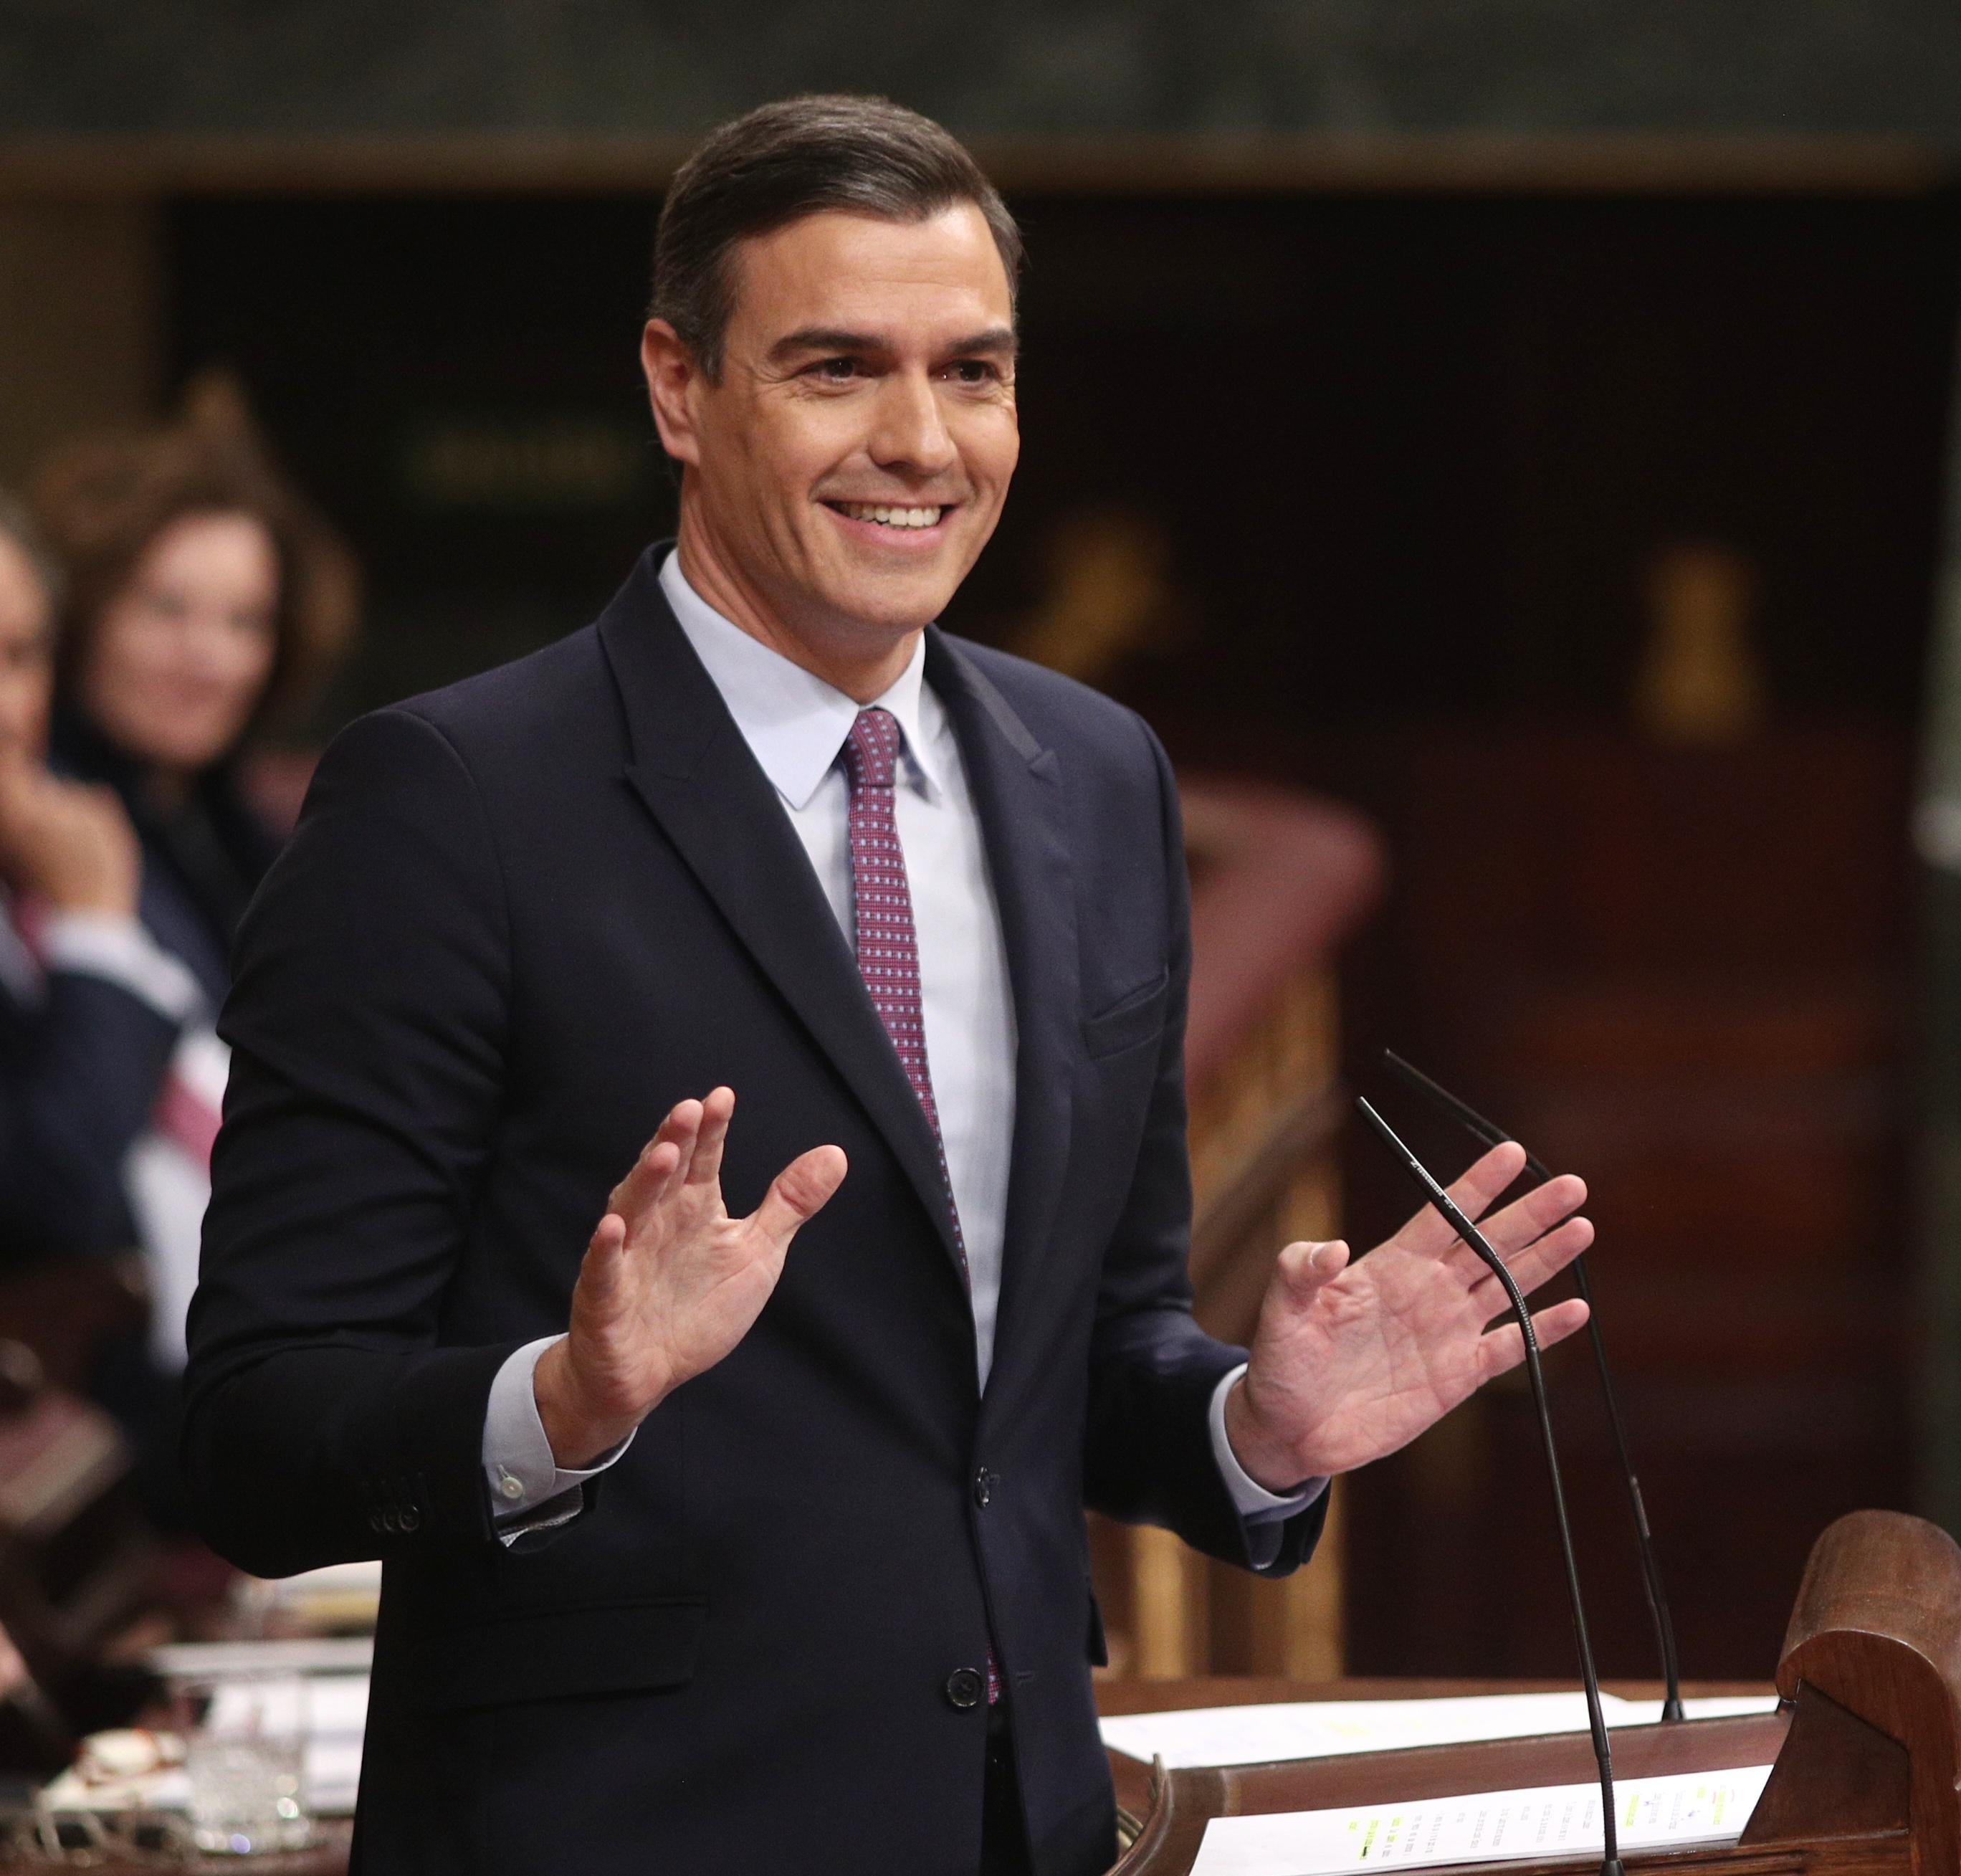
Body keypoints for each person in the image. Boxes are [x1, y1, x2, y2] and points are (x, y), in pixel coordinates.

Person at [182, 97, 1597, 1876]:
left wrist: (1255, 1420)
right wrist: (566, 1398)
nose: (920, 441)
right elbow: (251, 1434)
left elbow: (1084, 1351)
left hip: (1024, 1823)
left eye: (975, 372)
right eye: (838, 367)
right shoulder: (449, 801)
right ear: (678, 388)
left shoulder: (1100, 774)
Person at [27, 384, 356, 1518]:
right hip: (97, 1443)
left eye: (244, 620)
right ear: (83, 620)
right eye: (167, 608)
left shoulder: (240, 837)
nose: (207, 656)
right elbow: (56, 1176)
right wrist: (93, 917)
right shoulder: (52, 831)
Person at [0, 497, 199, 1277]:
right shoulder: (81, 874)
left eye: (20, 657)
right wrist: (95, 931)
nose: (10, 711)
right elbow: (54, 1205)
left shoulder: (62, 831)